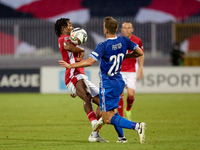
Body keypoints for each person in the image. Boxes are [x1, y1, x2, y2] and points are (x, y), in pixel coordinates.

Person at [58, 16, 147, 144]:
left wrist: (70, 65)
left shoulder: (103, 45)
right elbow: (139, 52)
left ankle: (137, 126)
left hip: (108, 84)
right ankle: (121, 138)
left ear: (105, 30)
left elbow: (90, 62)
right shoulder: (124, 40)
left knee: (106, 118)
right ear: (117, 29)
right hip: (119, 81)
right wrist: (122, 56)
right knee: (112, 110)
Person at [54, 18, 107, 142]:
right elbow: (67, 47)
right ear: (63, 28)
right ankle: (94, 121)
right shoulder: (64, 38)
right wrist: (81, 49)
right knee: (87, 95)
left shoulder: (71, 39)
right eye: (70, 25)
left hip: (80, 75)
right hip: (73, 75)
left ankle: (94, 135)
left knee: (104, 104)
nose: (72, 27)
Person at [118, 22, 145, 120]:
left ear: (132, 29)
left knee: (130, 94)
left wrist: (141, 67)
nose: (127, 30)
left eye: (129, 28)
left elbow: (141, 54)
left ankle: (128, 109)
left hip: (131, 70)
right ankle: (121, 117)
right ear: (121, 30)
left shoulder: (137, 40)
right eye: (125, 28)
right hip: (119, 70)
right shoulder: (118, 40)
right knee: (120, 93)